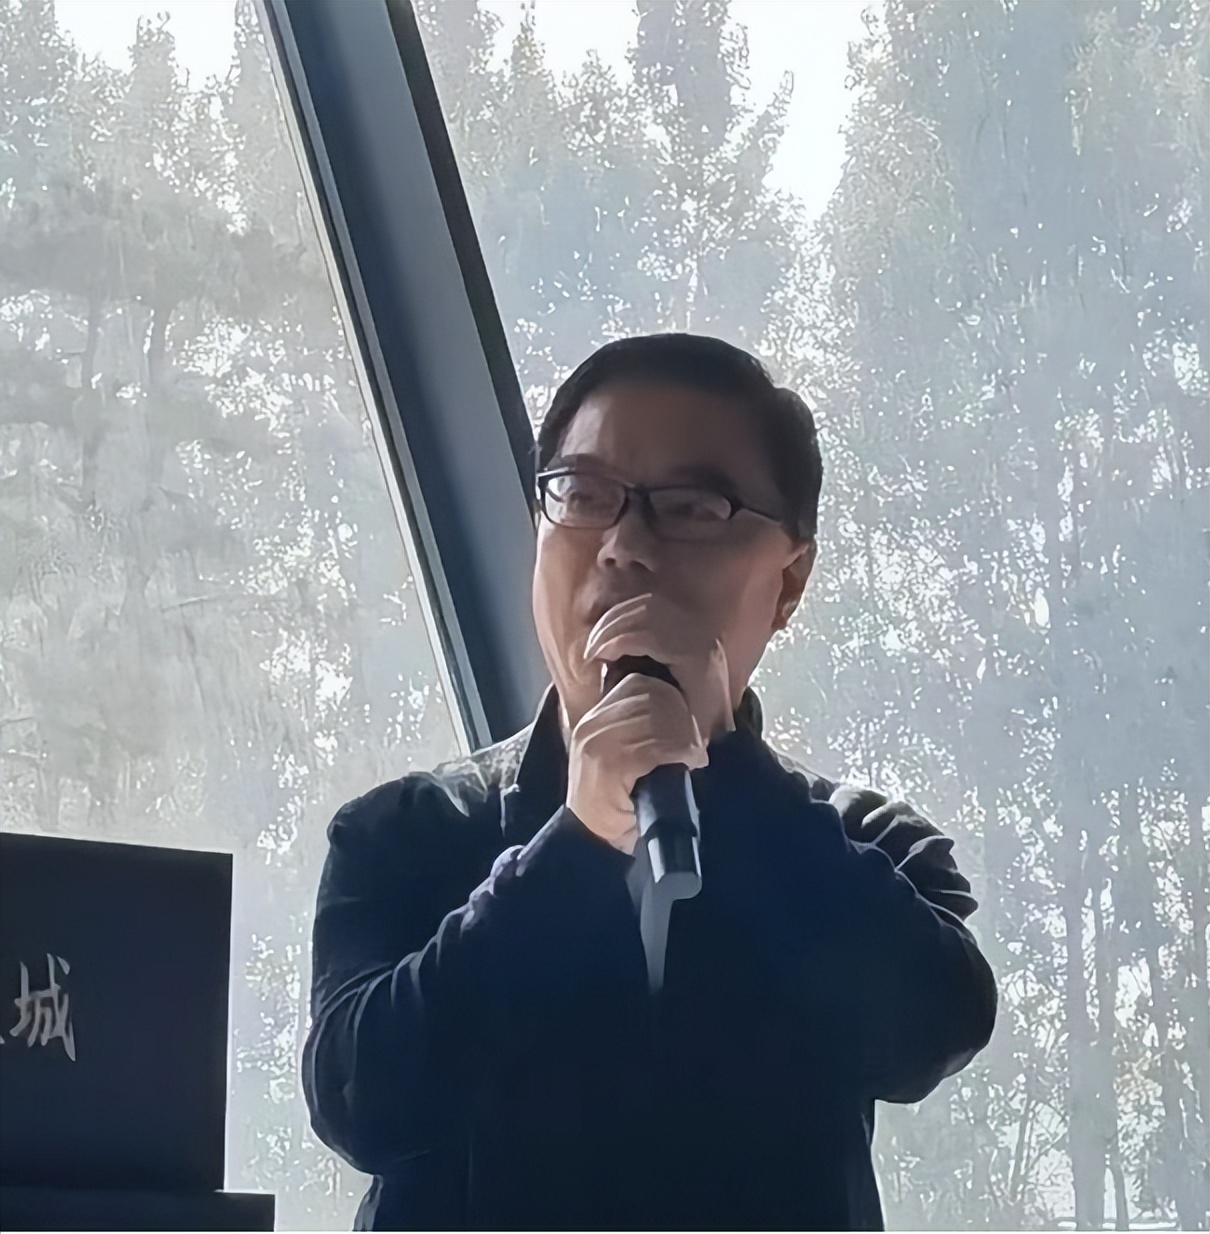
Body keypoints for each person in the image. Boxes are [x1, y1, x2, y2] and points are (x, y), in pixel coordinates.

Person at [302, 333, 998, 1231]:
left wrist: (728, 783)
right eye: (583, 495)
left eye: (693, 508)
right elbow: (360, 1100)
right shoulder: (409, 831)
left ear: (789, 581)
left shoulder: (870, 845)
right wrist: (574, 851)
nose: (624, 546)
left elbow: (929, 1030)